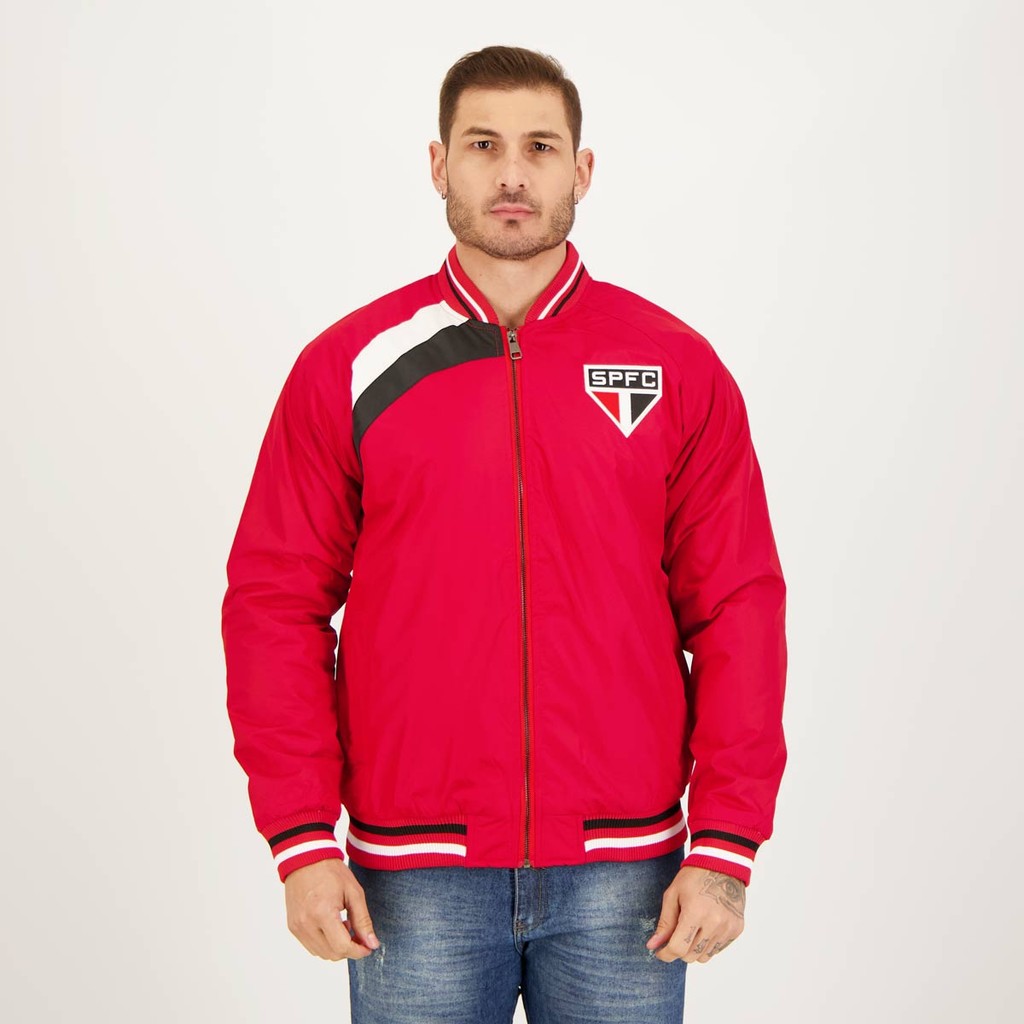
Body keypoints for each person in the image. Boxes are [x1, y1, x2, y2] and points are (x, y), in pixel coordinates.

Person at [221, 44, 788, 1023]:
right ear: (439, 164)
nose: (512, 173)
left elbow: (738, 607)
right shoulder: (349, 367)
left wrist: (727, 844)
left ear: (583, 169)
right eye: (483, 145)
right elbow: (274, 603)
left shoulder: (674, 366)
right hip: (414, 872)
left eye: (540, 147)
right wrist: (301, 836)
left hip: (628, 870)